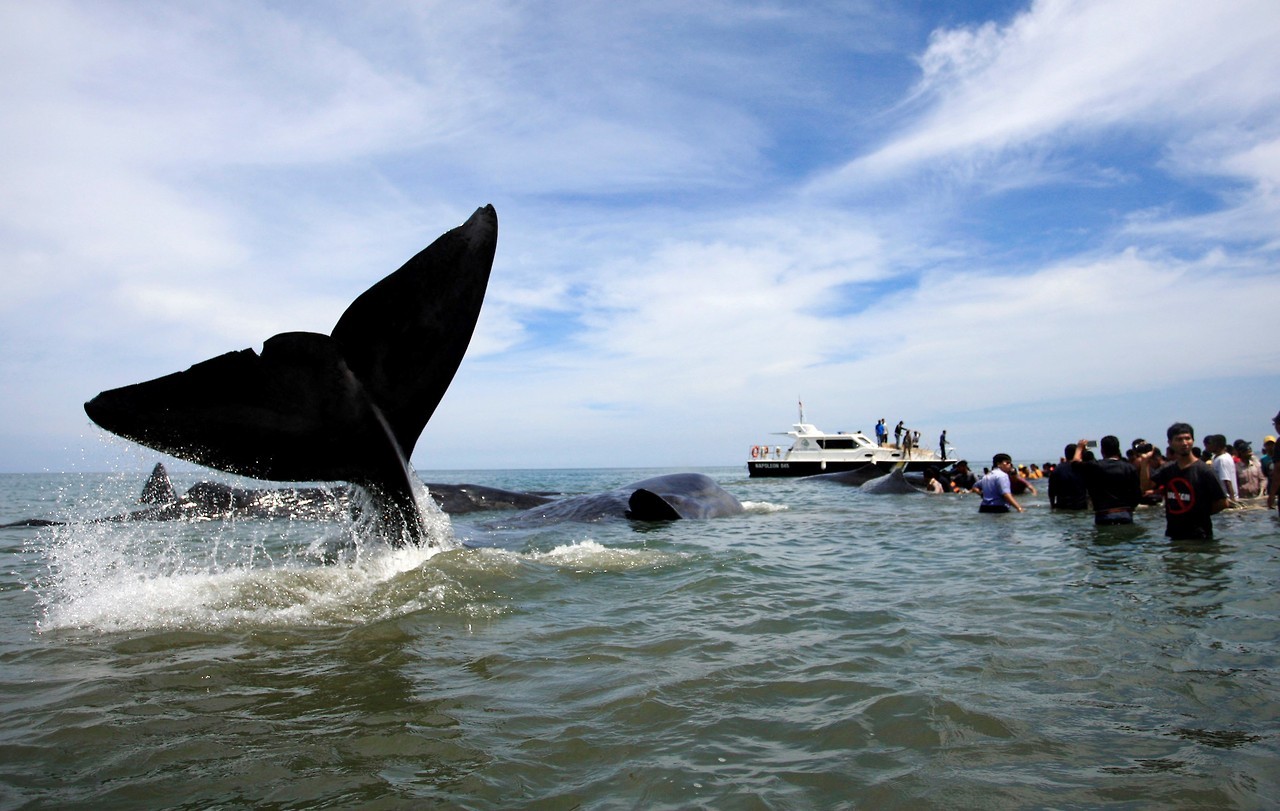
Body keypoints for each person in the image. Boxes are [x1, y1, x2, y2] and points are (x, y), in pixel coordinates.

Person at [1138, 422, 1228, 540]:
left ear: (1193, 440)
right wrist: (1145, 462)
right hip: (1174, 533)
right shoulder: (1168, 469)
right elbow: (1146, 487)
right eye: (1179, 439)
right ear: (1170, 443)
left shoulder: (1204, 471)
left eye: (1187, 438)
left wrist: (1198, 515)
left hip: (1199, 535)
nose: (1184, 443)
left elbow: (1222, 502)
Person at [1070, 436, 1141, 525]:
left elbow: (1074, 465)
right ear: (1118, 449)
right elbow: (1137, 495)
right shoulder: (1130, 468)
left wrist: (1079, 448)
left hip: (1103, 515)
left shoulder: (1095, 466)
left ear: (1102, 451)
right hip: (1125, 514)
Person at [1049, 443, 1089, 510]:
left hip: (1062, 505)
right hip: (1081, 505)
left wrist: (1052, 505)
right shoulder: (1082, 468)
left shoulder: (1057, 469)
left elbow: (1051, 491)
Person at [1205, 434, 1240, 501]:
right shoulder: (1215, 457)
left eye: (1211, 443)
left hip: (1227, 498)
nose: (1209, 445)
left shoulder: (1222, 460)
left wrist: (1232, 499)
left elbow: (1227, 481)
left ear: (1217, 445)